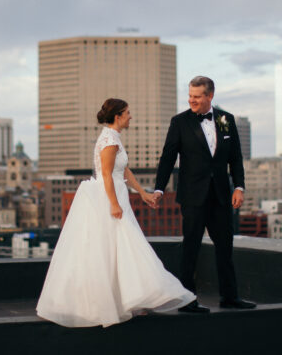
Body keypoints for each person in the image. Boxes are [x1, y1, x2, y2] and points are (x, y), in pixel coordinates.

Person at [36, 98, 195, 327]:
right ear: (118, 116)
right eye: (128, 112)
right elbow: (108, 174)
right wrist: (113, 204)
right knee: (119, 245)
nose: (131, 116)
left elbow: (124, 170)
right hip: (109, 197)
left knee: (119, 247)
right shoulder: (109, 139)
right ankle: (120, 301)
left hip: (118, 194)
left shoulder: (114, 137)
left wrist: (141, 192)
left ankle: (125, 299)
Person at [153, 76, 256, 313]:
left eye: (197, 96)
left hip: (221, 195)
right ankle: (187, 300)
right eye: (190, 95)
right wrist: (159, 188)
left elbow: (236, 157)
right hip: (192, 196)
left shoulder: (225, 119)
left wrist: (239, 186)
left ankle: (230, 298)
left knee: (225, 248)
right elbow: (168, 157)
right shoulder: (179, 122)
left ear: (210, 96)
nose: (192, 100)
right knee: (190, 247)